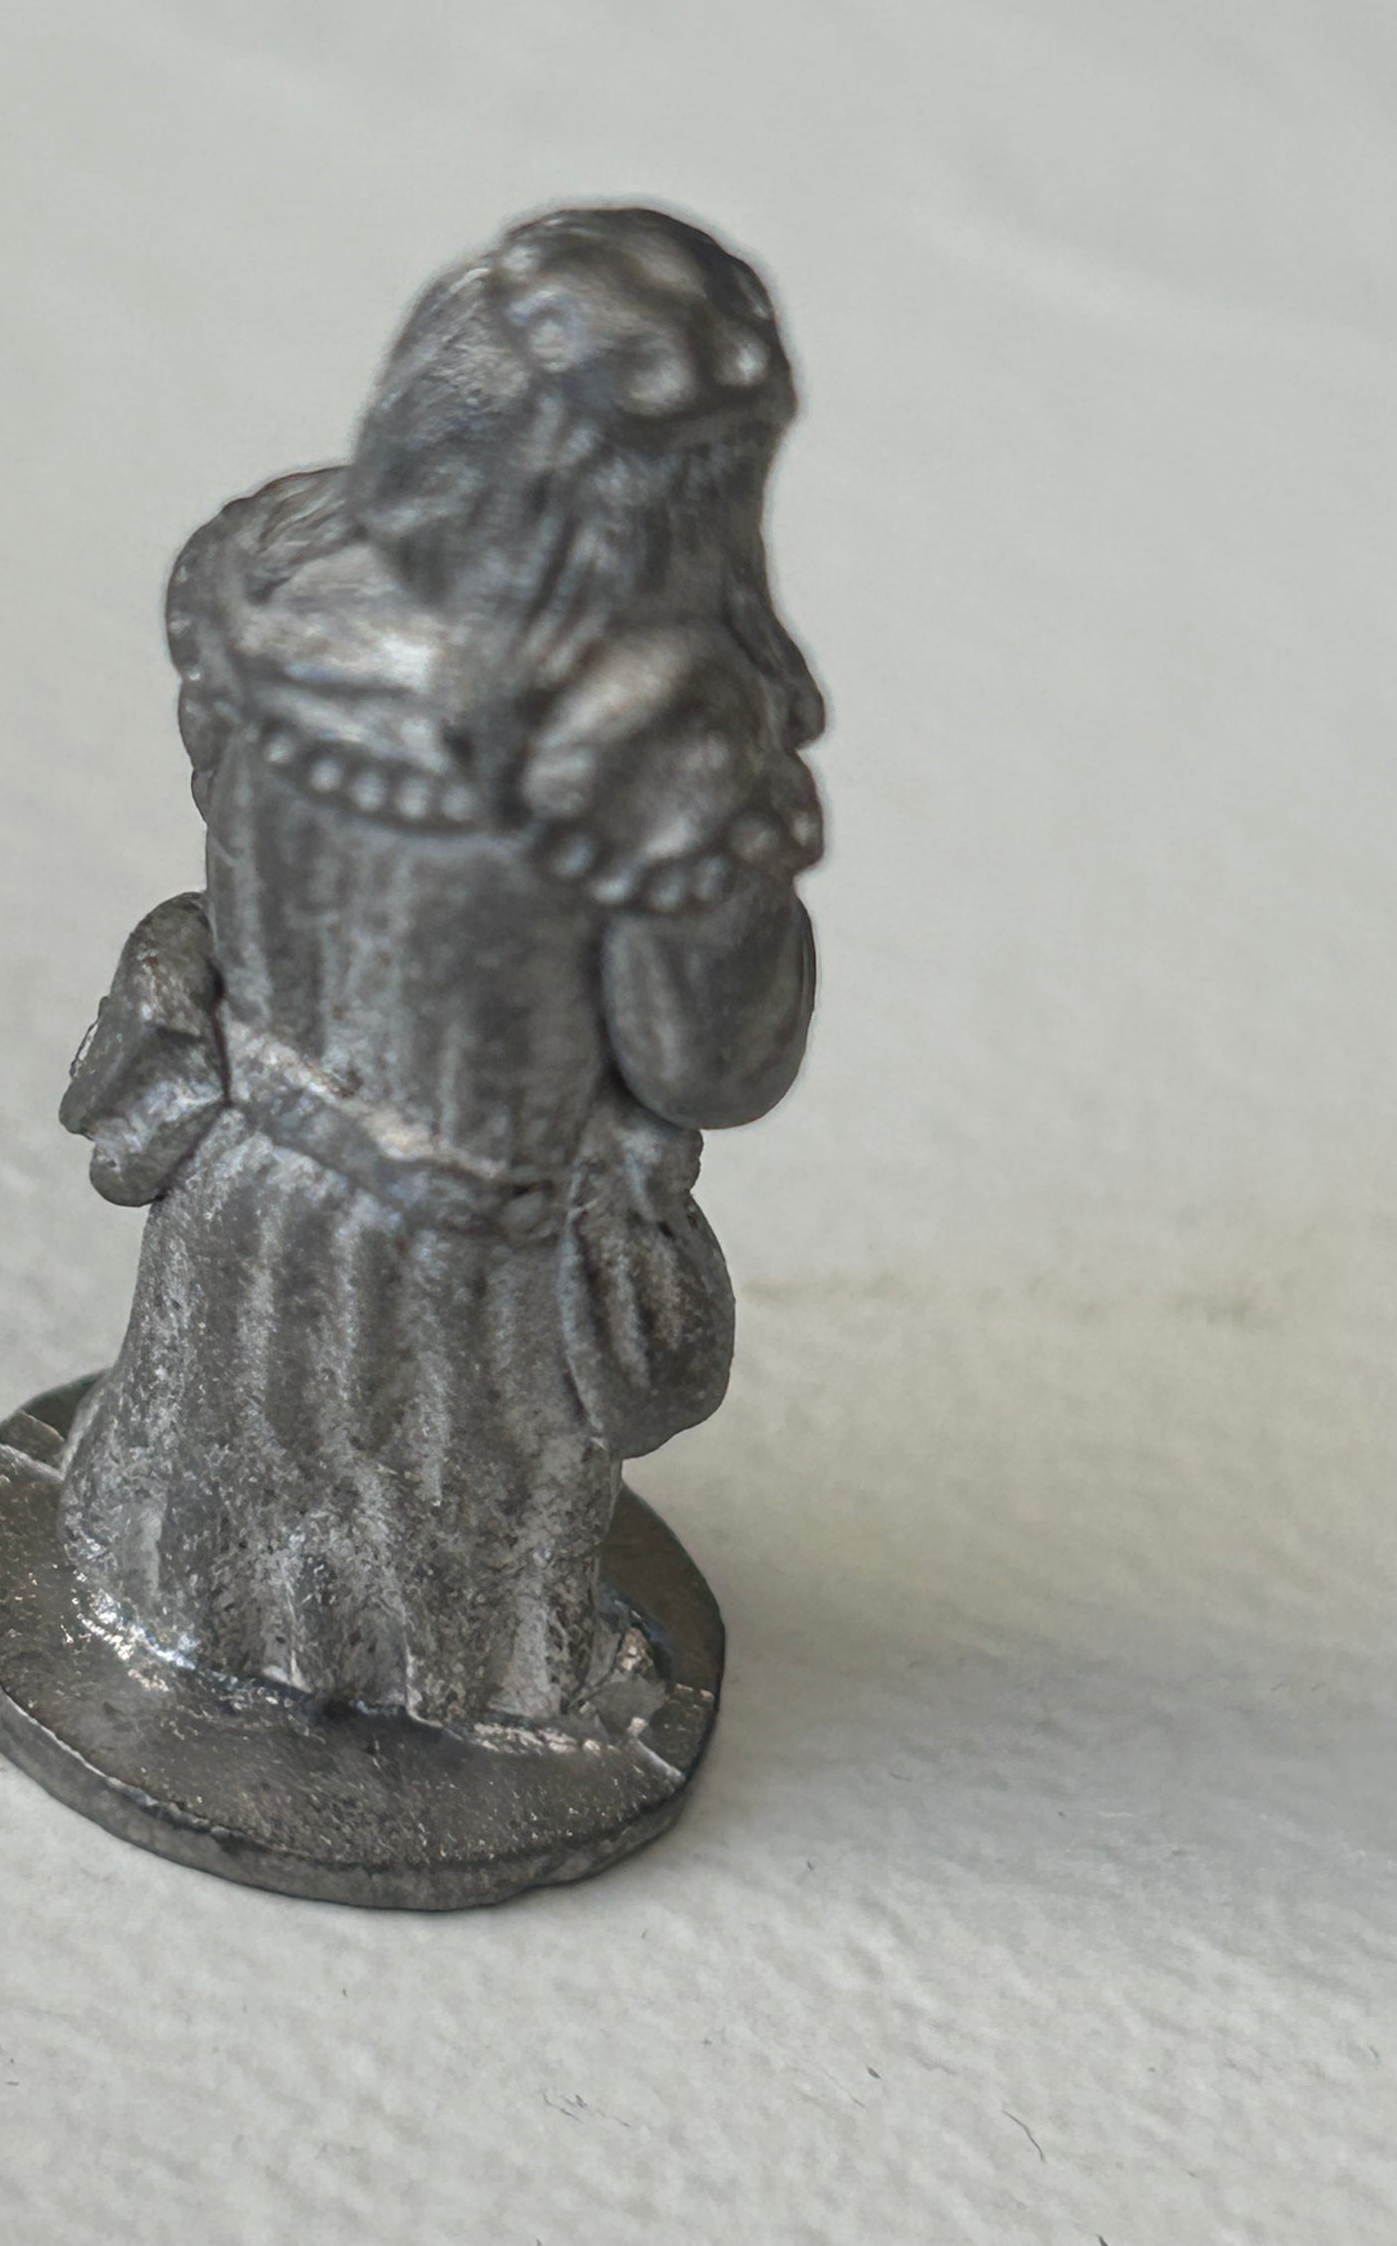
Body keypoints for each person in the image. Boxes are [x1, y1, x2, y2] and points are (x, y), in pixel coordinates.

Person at [56, 207, 823, 1729]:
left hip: (244, 1198)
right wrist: (746, 874)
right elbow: (711, 1063)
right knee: (444, 1600)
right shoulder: (655, 737)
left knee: (209, 1526)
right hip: (469, 1280)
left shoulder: (264, 578)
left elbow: (232, 837)